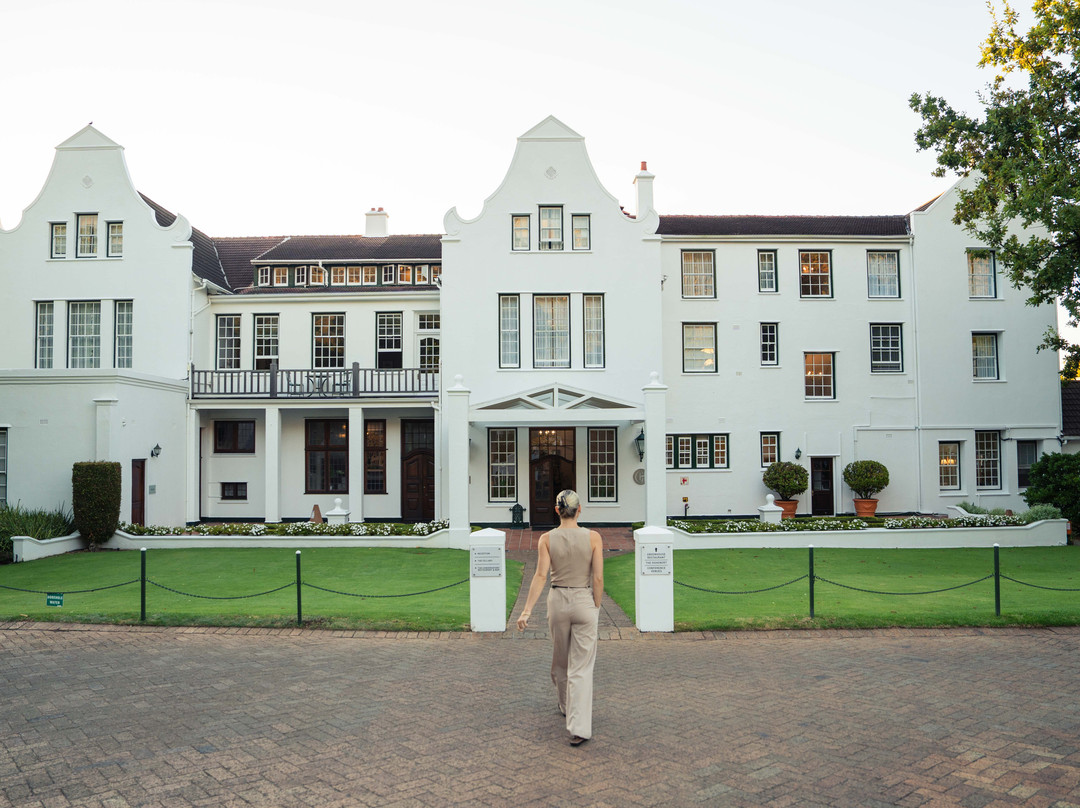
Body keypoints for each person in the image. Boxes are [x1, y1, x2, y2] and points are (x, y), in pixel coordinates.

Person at [516, 489, 604, 746]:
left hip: (557, 601)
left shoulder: (546, 538)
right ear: (579, 510)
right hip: (583, 600)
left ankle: (567, 706)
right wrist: (595, 606)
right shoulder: (594, 537)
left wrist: (526, 610)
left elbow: (541, 576)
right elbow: (597, 578)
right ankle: (577, 725)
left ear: (556, 511)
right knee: (581, 667)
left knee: (561, 662)